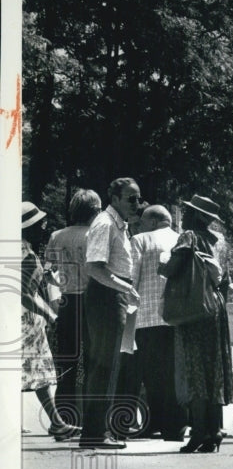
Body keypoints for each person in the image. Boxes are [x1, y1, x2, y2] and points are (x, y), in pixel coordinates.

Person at [163, 195, 233, 453]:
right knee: (214, 369)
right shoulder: (222, 242)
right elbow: (225, 279)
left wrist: (162, 265)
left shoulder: (188, 237)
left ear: (196, 217)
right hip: (216, 307)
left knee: (194, 370)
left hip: (193, 308)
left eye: (188, 212)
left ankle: (199, 431)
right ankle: (214, 430)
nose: (185, 216)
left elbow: (173, 268)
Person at [79, 177, 142, 449]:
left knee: (108, 364)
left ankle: (97, 430)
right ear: (114, 198)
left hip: (113, 295)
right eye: (131, 198)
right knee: (103, 365)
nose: (136, 204)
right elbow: (94, 267)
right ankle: (95, 432)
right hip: (105, 296)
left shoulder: (119, 225)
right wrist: (123, 287)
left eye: (138, 198)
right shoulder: (105, 224)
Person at [21, 202, 80, 441]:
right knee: (39, 374)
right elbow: (24, 294)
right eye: (39, 224)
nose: (44, 227)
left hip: (16, 321)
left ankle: (56, 422)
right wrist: (49, 314)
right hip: (25, 324)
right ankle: (56, 423)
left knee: (30, 374)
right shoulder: (27, 256)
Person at [44, 188, 101, 423]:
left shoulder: (58, 235)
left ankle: (65, 417)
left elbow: (47, 272)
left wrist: (60, 282)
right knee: (91, 360)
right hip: (91, 299)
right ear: (95, 210)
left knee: (67, 361)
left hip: (67, 301)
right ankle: (89, 418)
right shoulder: (94, 235)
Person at [130, 204, 184, 440]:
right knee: (175, 372)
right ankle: (177, 424)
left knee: (152, 374)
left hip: (147, 316)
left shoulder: (140, 240)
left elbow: (131, 279)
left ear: (152, 221)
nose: (140, 226)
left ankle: (155, 422)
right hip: (178, 317)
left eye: (142, 221)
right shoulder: (183, 240)